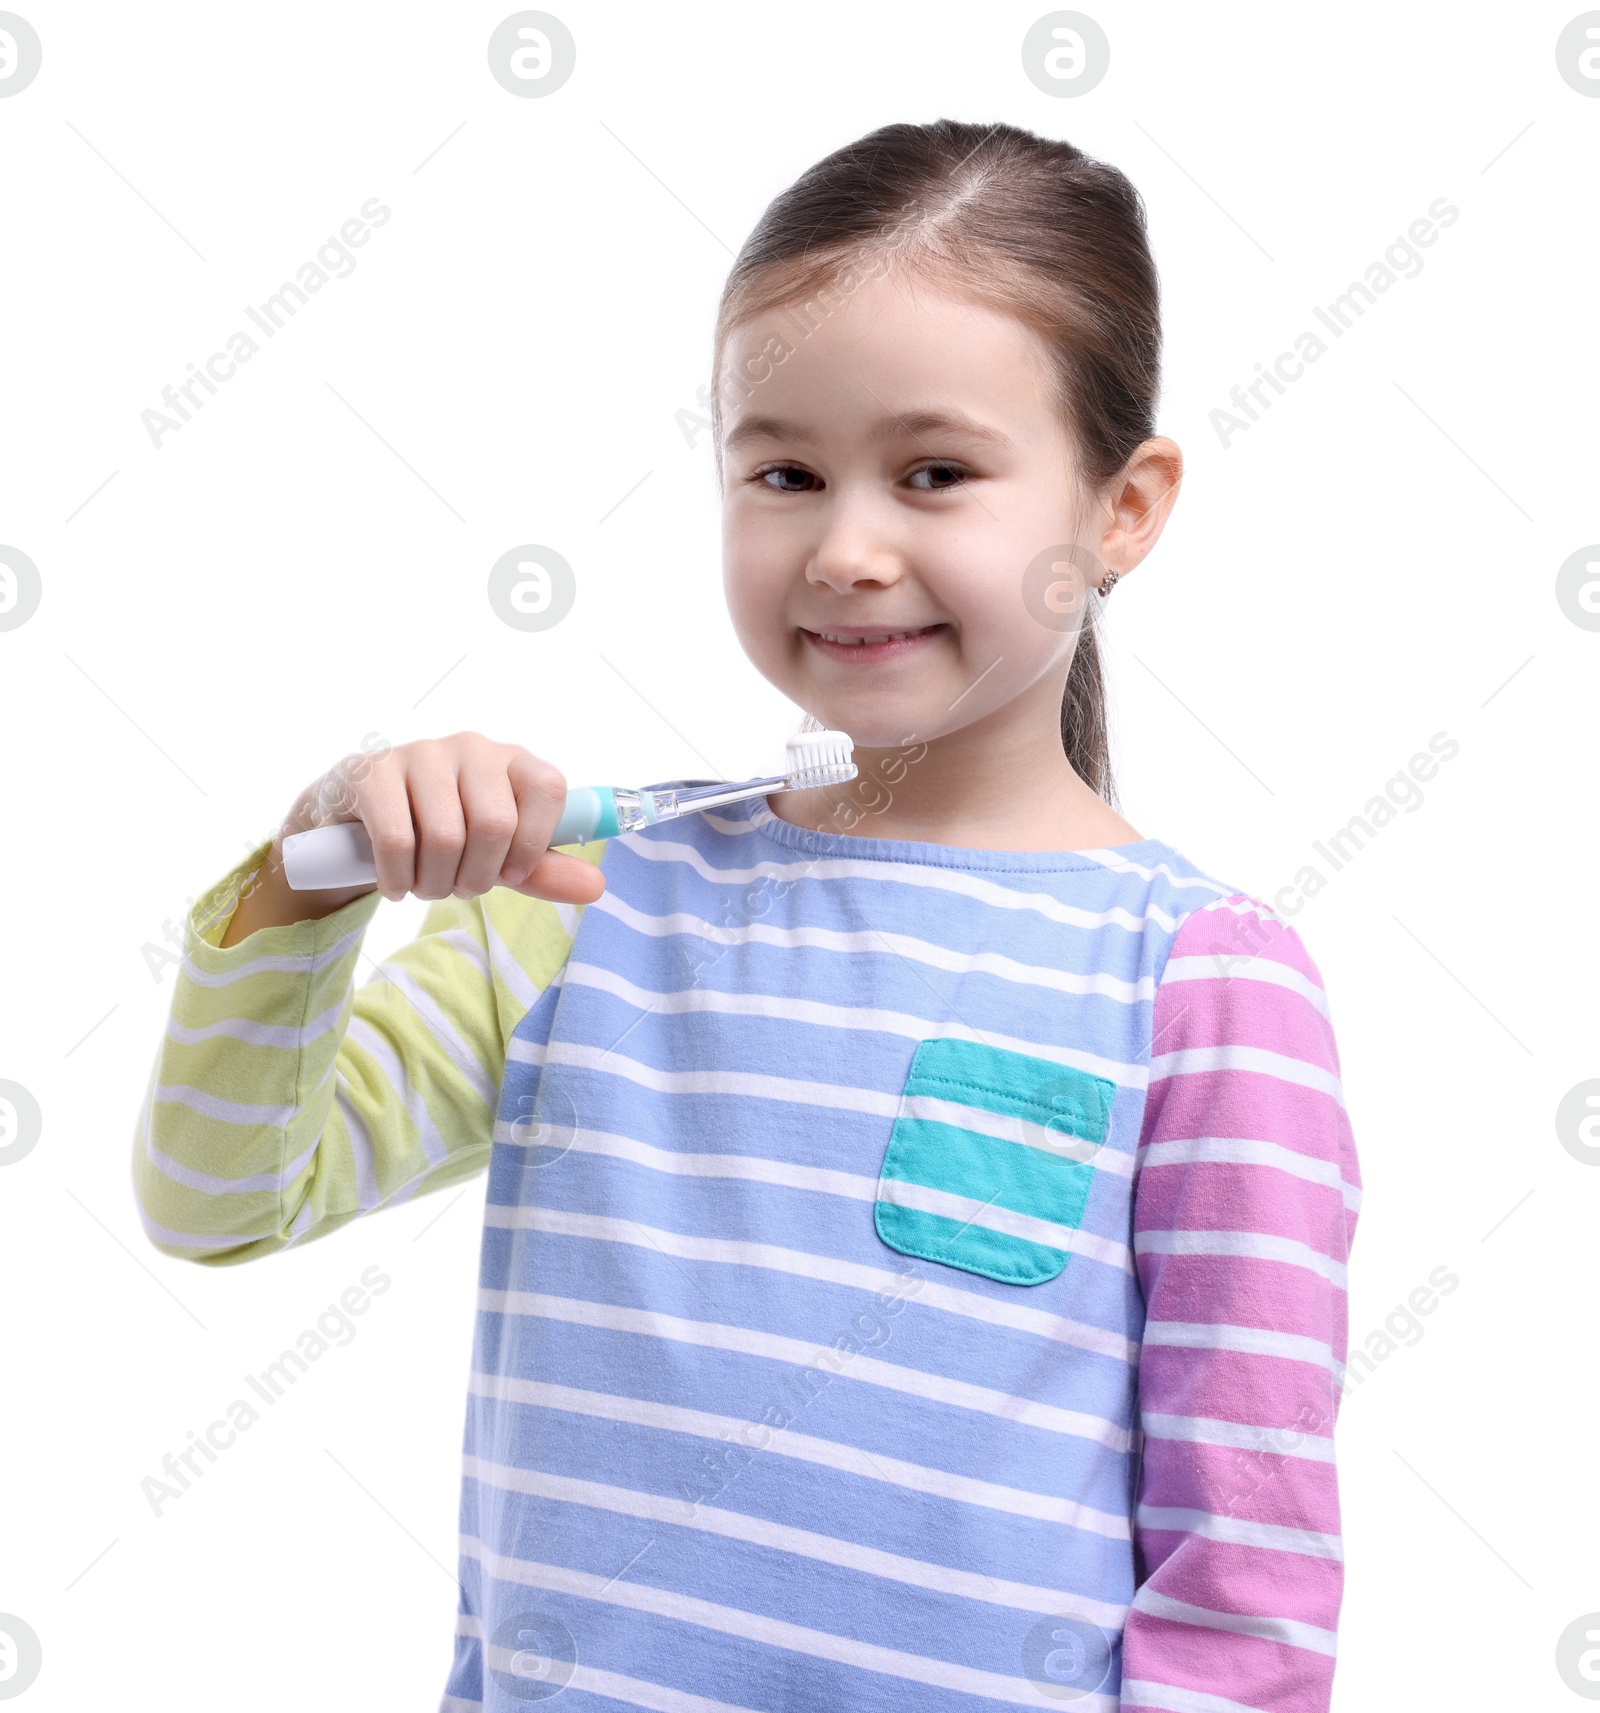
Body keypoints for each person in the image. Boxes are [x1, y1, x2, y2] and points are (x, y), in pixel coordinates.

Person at [134, 118, 1360, 1711]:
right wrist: (325, 857)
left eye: (936, 472)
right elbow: (223, 1198)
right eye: (783, 470)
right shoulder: (587, 900)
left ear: (1122, 509)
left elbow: (1243, 1574)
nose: (848, 549)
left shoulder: (1205, 985)